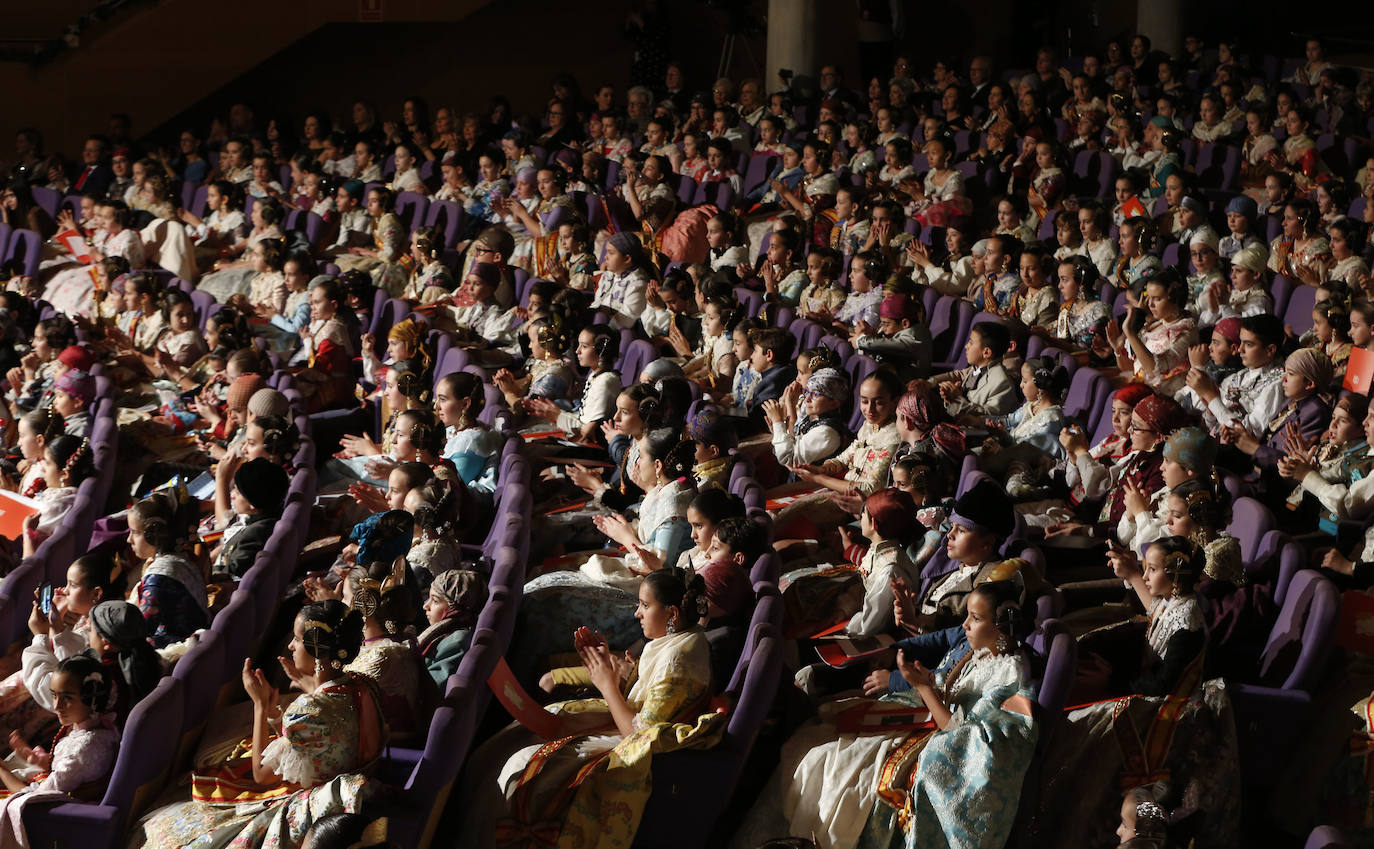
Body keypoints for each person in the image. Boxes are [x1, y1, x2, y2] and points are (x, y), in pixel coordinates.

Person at [745, 578, 1035, 849]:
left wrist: (922, 687)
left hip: (936, 740)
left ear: (1003, 626)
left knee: (837, 766)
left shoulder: (1007, 674)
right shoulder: (983, 653)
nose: (966, 626)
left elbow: (961, 734)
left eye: (976, 618)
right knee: (817, 736)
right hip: (922, 719)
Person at [461, 569, 719, 849]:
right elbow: (649, 698)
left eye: (645, 605)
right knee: (515, 739)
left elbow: (640, 735)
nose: (637, 614)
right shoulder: (679, 641)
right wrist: (613, 668)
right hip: (627, 726)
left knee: (523, 766)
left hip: (637, 750)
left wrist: (607, 684)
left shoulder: (678, 660)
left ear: (672, 614)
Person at [136, 600, 385, 849]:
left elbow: (261, 775)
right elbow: (312, 741)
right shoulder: (362, 686)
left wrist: (260, 706)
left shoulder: (310, 711)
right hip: (343, 793)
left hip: (308, 805)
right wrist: (288, 707)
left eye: (297, 640)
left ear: (316, 648)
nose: (290, 646)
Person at [0, 655, 121, 848]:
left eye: (68, 698)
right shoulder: (100, 729)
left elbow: (35, 798)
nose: (57, 706)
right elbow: (70, 769)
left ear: (92, 699)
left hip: (60, 819)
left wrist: (2, 770)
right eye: (55, 695)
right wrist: (34, 757)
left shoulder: (83, 748)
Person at [418, 569, 485, 688]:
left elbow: (430, 688)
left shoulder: (457, 642)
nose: (426, 606)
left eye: (435, 601)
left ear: (455, 609)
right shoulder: (443, 632)